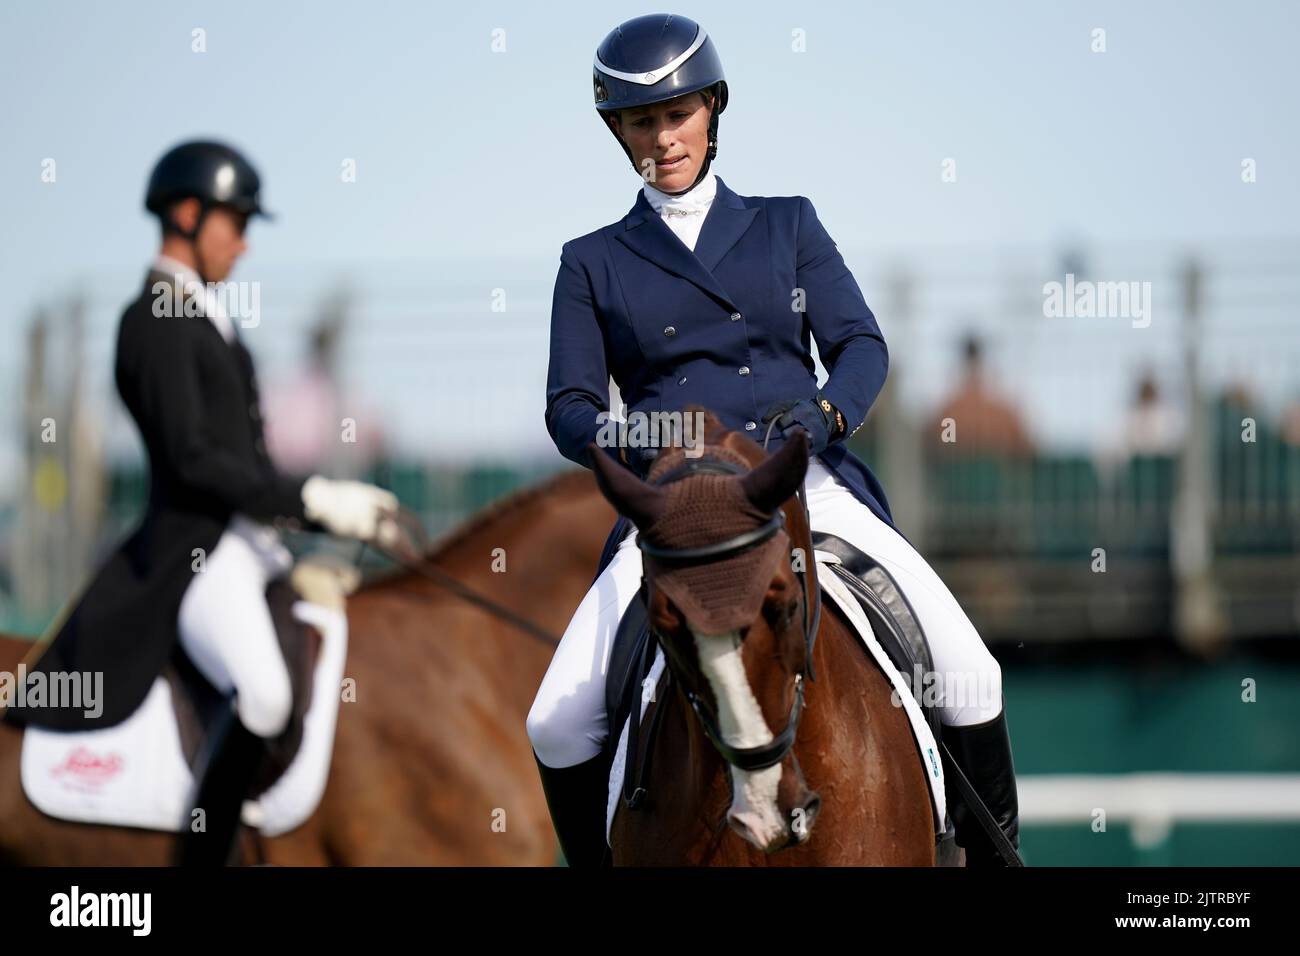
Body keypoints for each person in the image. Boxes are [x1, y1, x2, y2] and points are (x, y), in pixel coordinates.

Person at [526, 14, 1020, 866]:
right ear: (619, 132)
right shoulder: (591, 261)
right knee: (557, 718)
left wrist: (823, 418)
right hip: (674, 513)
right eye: (641, 122)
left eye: (678, 114)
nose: (663, 137)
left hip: (800, 487)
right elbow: (569, 407)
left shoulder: (787, 225)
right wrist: (652, 441)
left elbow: (862, 346)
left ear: (713, 111)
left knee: (970, 670)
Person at [2, 140, 399, 865]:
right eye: (235, 223)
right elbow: (192, 460)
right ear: (187, 214)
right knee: (266, 694)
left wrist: (318, 517)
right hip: (196, 552)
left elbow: (241, 460)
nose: (244, 244)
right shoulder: (149, 320)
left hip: (245, 544)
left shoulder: (210, 317)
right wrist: (312, 498)